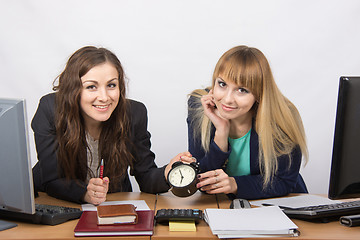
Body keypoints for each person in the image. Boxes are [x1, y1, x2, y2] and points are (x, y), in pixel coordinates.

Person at [32, 46, 192, 204]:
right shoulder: (51, 109)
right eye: (91, 87)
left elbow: (146, 177)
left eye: (111, 85)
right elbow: (52, 179)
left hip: (110, 205)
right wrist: (84, 194)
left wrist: (167, 172)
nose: (104, 97)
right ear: (73, 89)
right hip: (54, 203)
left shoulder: (134, 114)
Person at [187, 45, 308, 200]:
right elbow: (200, 179)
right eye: (222, 84)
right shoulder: (199, 106)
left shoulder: (281, 115)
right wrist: (221, 131)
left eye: (242, 90)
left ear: (259, 94)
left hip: (278, 202)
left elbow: (283, 181)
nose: (228, 99)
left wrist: (235, 184)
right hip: (222, 207)